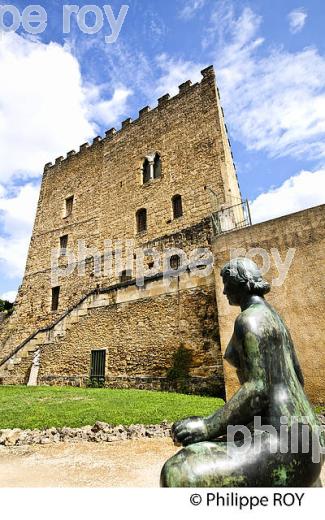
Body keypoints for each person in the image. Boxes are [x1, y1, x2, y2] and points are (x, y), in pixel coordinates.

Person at [160, 258, 324, 487]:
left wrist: (208, 425)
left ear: (243, 283)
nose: (225, 290)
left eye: (228, 283)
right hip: (308, 440)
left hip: (286, 444)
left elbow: (258, 389)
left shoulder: (248, 319)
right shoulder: (275, 318)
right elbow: (298, 377)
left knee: (179, 471)